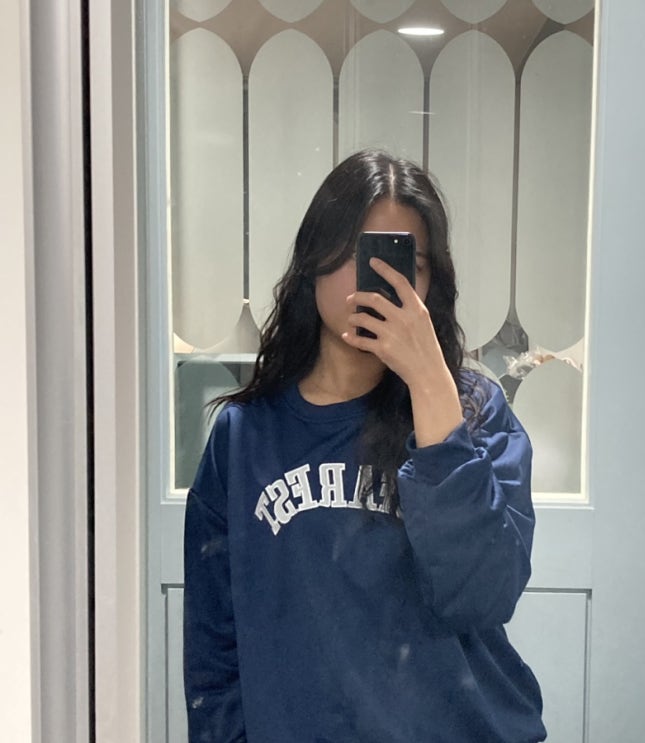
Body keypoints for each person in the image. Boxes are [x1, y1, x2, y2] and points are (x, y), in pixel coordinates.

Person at [183, 149, 546, 742]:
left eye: (404, 261)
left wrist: (431, 388)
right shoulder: (245, 436)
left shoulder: (474, 412)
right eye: (355, 251)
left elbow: (482, 595)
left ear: (430, 283)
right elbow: (214, 646)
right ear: (314, 262)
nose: (373, 279)